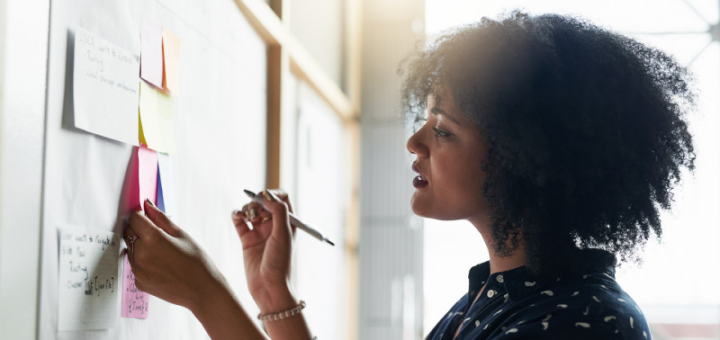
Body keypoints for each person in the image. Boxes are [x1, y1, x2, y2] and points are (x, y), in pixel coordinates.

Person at [123, 11, 695, 340]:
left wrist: (206, 295)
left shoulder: (580, 324)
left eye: (443, 130)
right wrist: (272, 293)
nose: (414, 143)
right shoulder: (500, 297)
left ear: (527, 160)